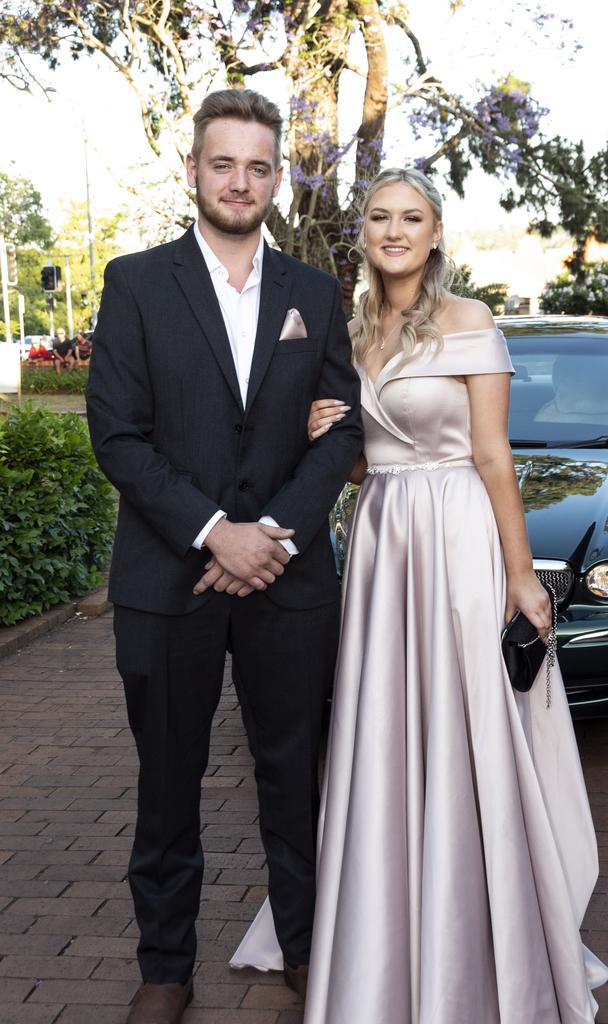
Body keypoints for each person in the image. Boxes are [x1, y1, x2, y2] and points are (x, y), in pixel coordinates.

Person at [225, 167, 608, 1022]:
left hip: (458, 537)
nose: (394, 231)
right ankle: (382, 925)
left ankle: (480, 932)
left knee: (466, 723)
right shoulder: (353, 329)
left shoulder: (468, 321)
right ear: (359, 232)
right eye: (379, 217)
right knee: (383, 727)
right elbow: (365, 463)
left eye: (412, 218)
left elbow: (492, 457)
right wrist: (328, 435)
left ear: (436, 233)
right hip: (381, 537)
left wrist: (521, 576)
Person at [86, 88, 362, 1024]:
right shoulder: (134, 282)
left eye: (257, 166)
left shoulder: (316, 294)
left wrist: (272, 535)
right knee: (167, 781)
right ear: (193, 170)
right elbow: (117, 436)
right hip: (171, 580)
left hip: (290, 583)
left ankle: (303, 946)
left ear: (276, 179)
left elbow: (338, 432)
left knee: (297, 774)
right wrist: (217, 533)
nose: (239, 181)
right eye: (222, 163)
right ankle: (165, 967)